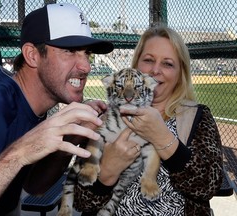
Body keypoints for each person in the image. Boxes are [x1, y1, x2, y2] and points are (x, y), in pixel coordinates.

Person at [0, 3, 113, 216]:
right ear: (32, 55)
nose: (86, 67)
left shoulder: (30, 104)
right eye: (70, 51)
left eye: (87, 53)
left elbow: (34, 188)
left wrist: (70, 136)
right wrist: (19, 152)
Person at [73, 25, 223, 216]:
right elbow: (81, 201)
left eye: (168, 64)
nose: (155, 70)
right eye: (148, 60)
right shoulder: (107, 117)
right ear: (136, 66)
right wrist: (107, 171)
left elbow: (208, 186)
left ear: (180, 74)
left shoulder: (197, 117)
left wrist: (162, 138)